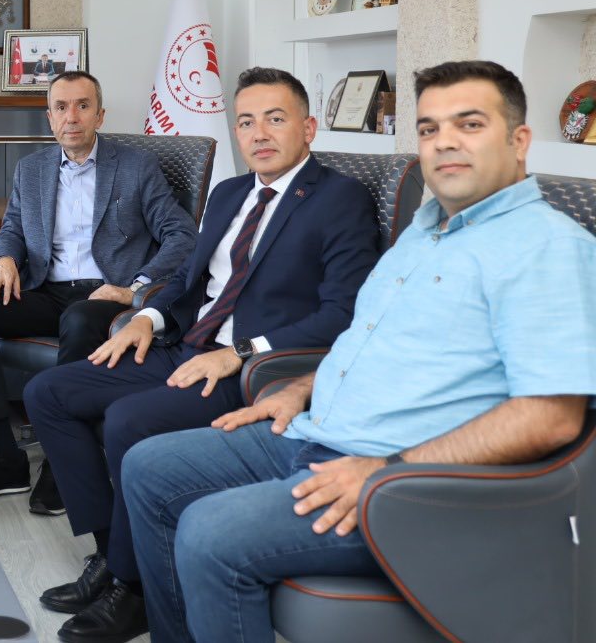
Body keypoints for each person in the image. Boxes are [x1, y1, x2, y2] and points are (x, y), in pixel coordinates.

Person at [121, 60, 596, 643]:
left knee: (209, 531)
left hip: (408, 484)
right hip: (319, 431)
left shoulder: (548, 247)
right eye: (429, 128)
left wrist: (387, 472)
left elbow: (551, 417)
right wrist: (300, 388)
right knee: (148, 466)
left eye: (470, 124)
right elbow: (366, 338)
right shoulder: (426, 230)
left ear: (519, 141)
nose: (445, 141)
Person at [23, 66, 379, 643]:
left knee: (129, 419)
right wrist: (148, 317)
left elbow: (342, 313)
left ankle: (133, 591)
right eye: (246, 121)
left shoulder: (339, 199)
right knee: (49, 393)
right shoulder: (230, 193)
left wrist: (240, 352)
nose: (259, 133)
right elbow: (190, 280)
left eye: (275, 119)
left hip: (254, 369)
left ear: (308, 128)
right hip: (187, 345)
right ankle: (115, 558)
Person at [0, 71, 197, 515]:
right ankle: (4, 454)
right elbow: (12, 229)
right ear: (49, 118)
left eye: (83, 105)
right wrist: (4, 258)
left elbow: (181, 235)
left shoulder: (136, 166)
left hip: (106, 296)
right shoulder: (31, 169)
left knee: (80, 317)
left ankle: (62, 461)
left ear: (100, 115)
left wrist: (135, 288)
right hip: (45, 289)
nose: (72, 116)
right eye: (61, 107)